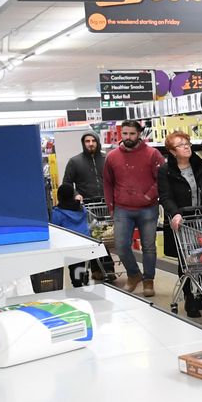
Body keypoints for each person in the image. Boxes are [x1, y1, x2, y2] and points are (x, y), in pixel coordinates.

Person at [158, 131, 202, 318]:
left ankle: (201, 291)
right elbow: (165, 196)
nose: (186, 146)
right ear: (172, 151)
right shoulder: (165, 171)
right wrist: (175, 213)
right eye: (181, 144)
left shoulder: (200, 165)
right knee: (186, 259)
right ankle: (188, 295)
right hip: (183, 221)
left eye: (187, 143)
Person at [103, 120, 164, 297]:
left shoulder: (153, 154)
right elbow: (108, 183)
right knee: (121, 246)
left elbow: (161, 179)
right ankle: (133, 274)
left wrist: (149, 195)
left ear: (139, 134)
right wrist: (111, 206)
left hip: (148, 209)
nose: (128, 137)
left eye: (132, 134)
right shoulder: (112, 157)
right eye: (125, 134)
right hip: (122, 208)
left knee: (149, 247)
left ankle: (148, 280)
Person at [60, 132, 115, 281]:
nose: (90, 143)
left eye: (93, 141)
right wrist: (76, 194)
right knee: (94, 237)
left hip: (106, 203)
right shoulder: (75, 161)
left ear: (98, 142)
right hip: (88, 206)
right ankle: (104, 268)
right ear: (83, 143)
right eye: (87, 141)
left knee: (106, 237)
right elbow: (67, 183)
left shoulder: (107, 159)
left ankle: (103, 268)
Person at [48, 185, 93, 288]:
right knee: (80, 261)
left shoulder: (58, 213)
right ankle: (83, 275)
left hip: (70, 244)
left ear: (59, 196)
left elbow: (55, 227)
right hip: (85, 240)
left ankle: (77, 283)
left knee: (73, 264)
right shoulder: (81, 208)